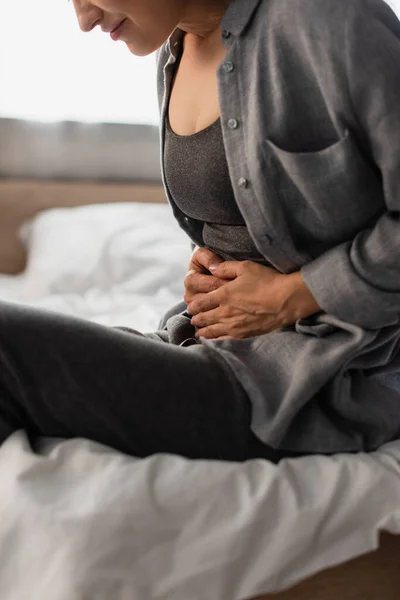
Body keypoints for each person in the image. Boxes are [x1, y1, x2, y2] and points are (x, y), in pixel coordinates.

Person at [1, 0, 400, 462]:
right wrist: (211, 260)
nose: (84, 19)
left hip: (317, 377)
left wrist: (293, 293)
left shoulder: (327, 19)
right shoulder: (172, 47)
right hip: (204, 343)